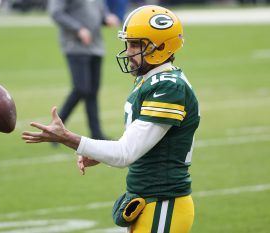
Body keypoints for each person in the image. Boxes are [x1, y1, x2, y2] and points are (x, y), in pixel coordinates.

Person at [23, 5, 200, 233]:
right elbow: (141, 142)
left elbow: (125, 154)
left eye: (136, 44)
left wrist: (69, 138)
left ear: (161, 46)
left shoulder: (168, 87)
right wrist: (99, 151)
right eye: (128, 43)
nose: (128, 51)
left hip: (163, 203)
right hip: (148, 200)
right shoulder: (152, 79)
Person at [48, 0, 119, 141]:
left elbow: (99, 11)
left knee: (92, 91)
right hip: (75, 46)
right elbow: (56, 13)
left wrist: (106, 18)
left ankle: (96, 134)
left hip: (96, 47)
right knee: (81, 89)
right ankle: (54, 130)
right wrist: (78, 28)